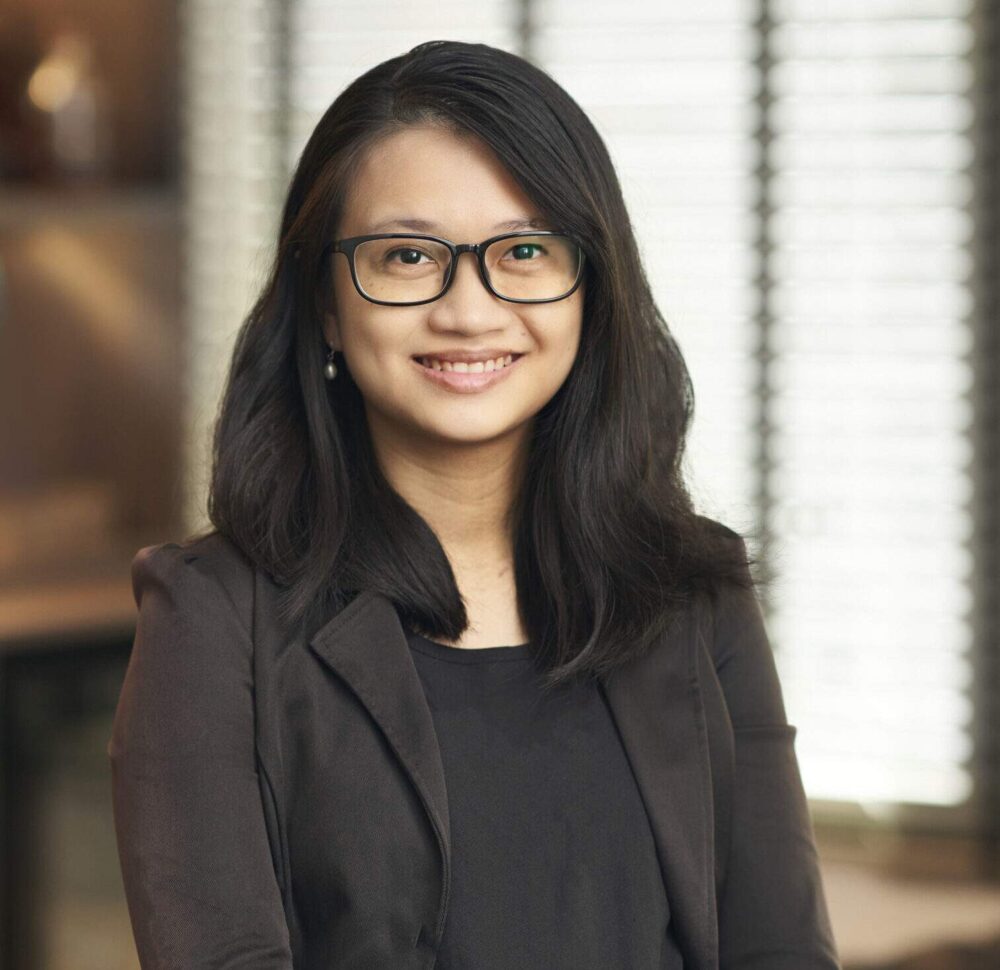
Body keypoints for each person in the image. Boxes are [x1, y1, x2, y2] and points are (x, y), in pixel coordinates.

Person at [108, 39, 842, 970]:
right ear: (328, 305)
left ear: (593, 286)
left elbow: (780, 952)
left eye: (525, 249)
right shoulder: (212, 618)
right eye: (409, 255)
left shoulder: (696, 591)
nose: (469, 309)